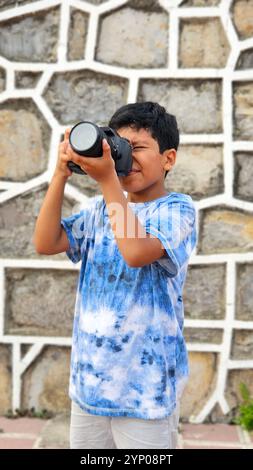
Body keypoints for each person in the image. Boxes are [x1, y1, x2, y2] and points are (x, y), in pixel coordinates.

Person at [33, 101, 197, 449]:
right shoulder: (97, 210)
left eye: (137, 148)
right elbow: (46, 242)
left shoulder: (177, 211)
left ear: (168, 158)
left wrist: (107, 179)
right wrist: (60, 174)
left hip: (146, 392)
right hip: (90, 387)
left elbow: (136, 252)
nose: (126, 157)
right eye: (120, 148)